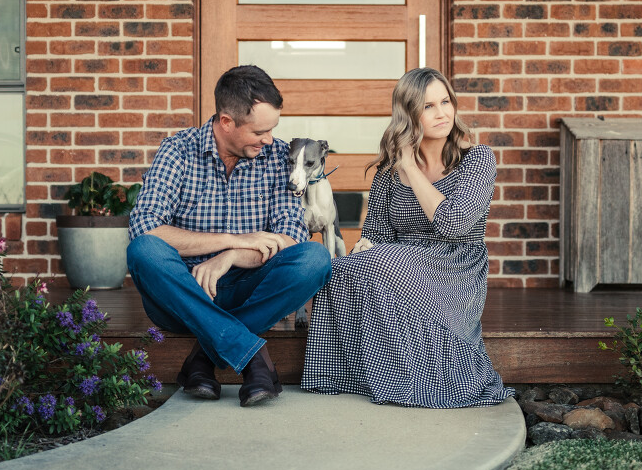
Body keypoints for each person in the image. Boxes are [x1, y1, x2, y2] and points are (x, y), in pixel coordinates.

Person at [301, 67, 515, 408]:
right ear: (409, 115)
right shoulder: (388, 174)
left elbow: (454, 223)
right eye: (428, 106)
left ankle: (432, 381)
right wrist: (363, 251)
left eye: (445, 102)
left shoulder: (476, 160)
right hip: (401, 263)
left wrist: (411, 168)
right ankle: (350, 375)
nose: (442, 113)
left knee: (386, 262)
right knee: (338, 270)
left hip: (454, 265)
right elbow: (376, 236)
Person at [126, 65, 333, 407]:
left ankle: (203, 357)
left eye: (272, 129)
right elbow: (146, 227)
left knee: (315, 258)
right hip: (184, 290)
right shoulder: (178, 151)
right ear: (226, 122)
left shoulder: (276, 156)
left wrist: (233, 256)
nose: (269, 139)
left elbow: (291, 234)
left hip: (251, 287)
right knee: (144, 250)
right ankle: (251, 355)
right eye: (260, 131)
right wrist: (231, 240)